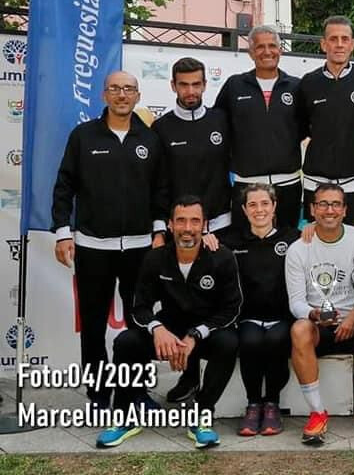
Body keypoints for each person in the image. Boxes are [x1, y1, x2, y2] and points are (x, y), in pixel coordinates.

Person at [52, 70, 168, 408]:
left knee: (140, 322)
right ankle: (98, 393)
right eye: (115, 89)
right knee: (92, 324)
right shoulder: (83, 136)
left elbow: (161, 191)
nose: (122, 95)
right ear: (104, 95)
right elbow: (64, 187)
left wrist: (159, 232)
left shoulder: (150, 140)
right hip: (92, 248)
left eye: (128, 89)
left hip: (139, 249)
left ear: (138, 96)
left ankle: (137, 391)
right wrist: (62, 233)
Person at [96, 196, 241, 449]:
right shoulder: (155, 258)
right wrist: (157, 329)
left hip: (203, 333)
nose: (188, 228)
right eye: (181, 221)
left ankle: (202, 417)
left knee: (228, 342)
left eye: (195, 221)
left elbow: (231, 308)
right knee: (126, 341)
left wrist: (196, 335)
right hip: (169, 329)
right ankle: (123, 416)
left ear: (204, 225)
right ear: (170, 225)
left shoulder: (222, 257)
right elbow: (139, 307)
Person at [152, 58, 233, 404]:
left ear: (205, 85)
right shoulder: (161, 128)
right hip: (181, 233)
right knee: (184, 307)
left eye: (196, 84)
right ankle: (187, 377)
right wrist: (160, 229)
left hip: (222, 228)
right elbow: (158, 185)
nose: (190, 91)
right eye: (183, 85)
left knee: (217, 305)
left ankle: (217, 383)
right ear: (173, 86)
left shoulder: (221, 121)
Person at [285, 183, 354, 444]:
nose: (329, 210)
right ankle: (318, 413)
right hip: (320, 325)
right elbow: (296, 302)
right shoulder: (298, 249)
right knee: (298, 329)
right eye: (322, 204)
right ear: (312, 209)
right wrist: (314, 314)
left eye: (335, 204)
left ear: (345, 210)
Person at [220, 184, 299, 436]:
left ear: (274, 206)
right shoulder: (231, 242)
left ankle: (272, 404)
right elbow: (209, 248)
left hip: (282, 318)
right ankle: (253, 404)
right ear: (244, 210)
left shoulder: (293, 238)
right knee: (250, 342)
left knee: (276, 340)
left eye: (265, 203)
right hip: (249, 318)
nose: (259, 210)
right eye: (252, 205)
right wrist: (209, 239)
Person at [215, 25, 303, 229]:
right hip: (247, 185)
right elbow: (217, 125)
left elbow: (310, 125)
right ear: (251, 52)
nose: (267, 51)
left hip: (288, 184)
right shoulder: (234, 85)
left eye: (272, 45)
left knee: (286, 244)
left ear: (280, 50)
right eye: (260, 47)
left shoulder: (296, 86)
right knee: (246, 247)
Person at [296, 15, 354, 227]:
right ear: (324, 44)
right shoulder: (308, 82)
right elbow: (301, 127)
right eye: (333, 39)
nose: (339, 44)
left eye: (344, 39)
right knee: (318, 242)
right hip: (318, 179)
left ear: (352, 44)